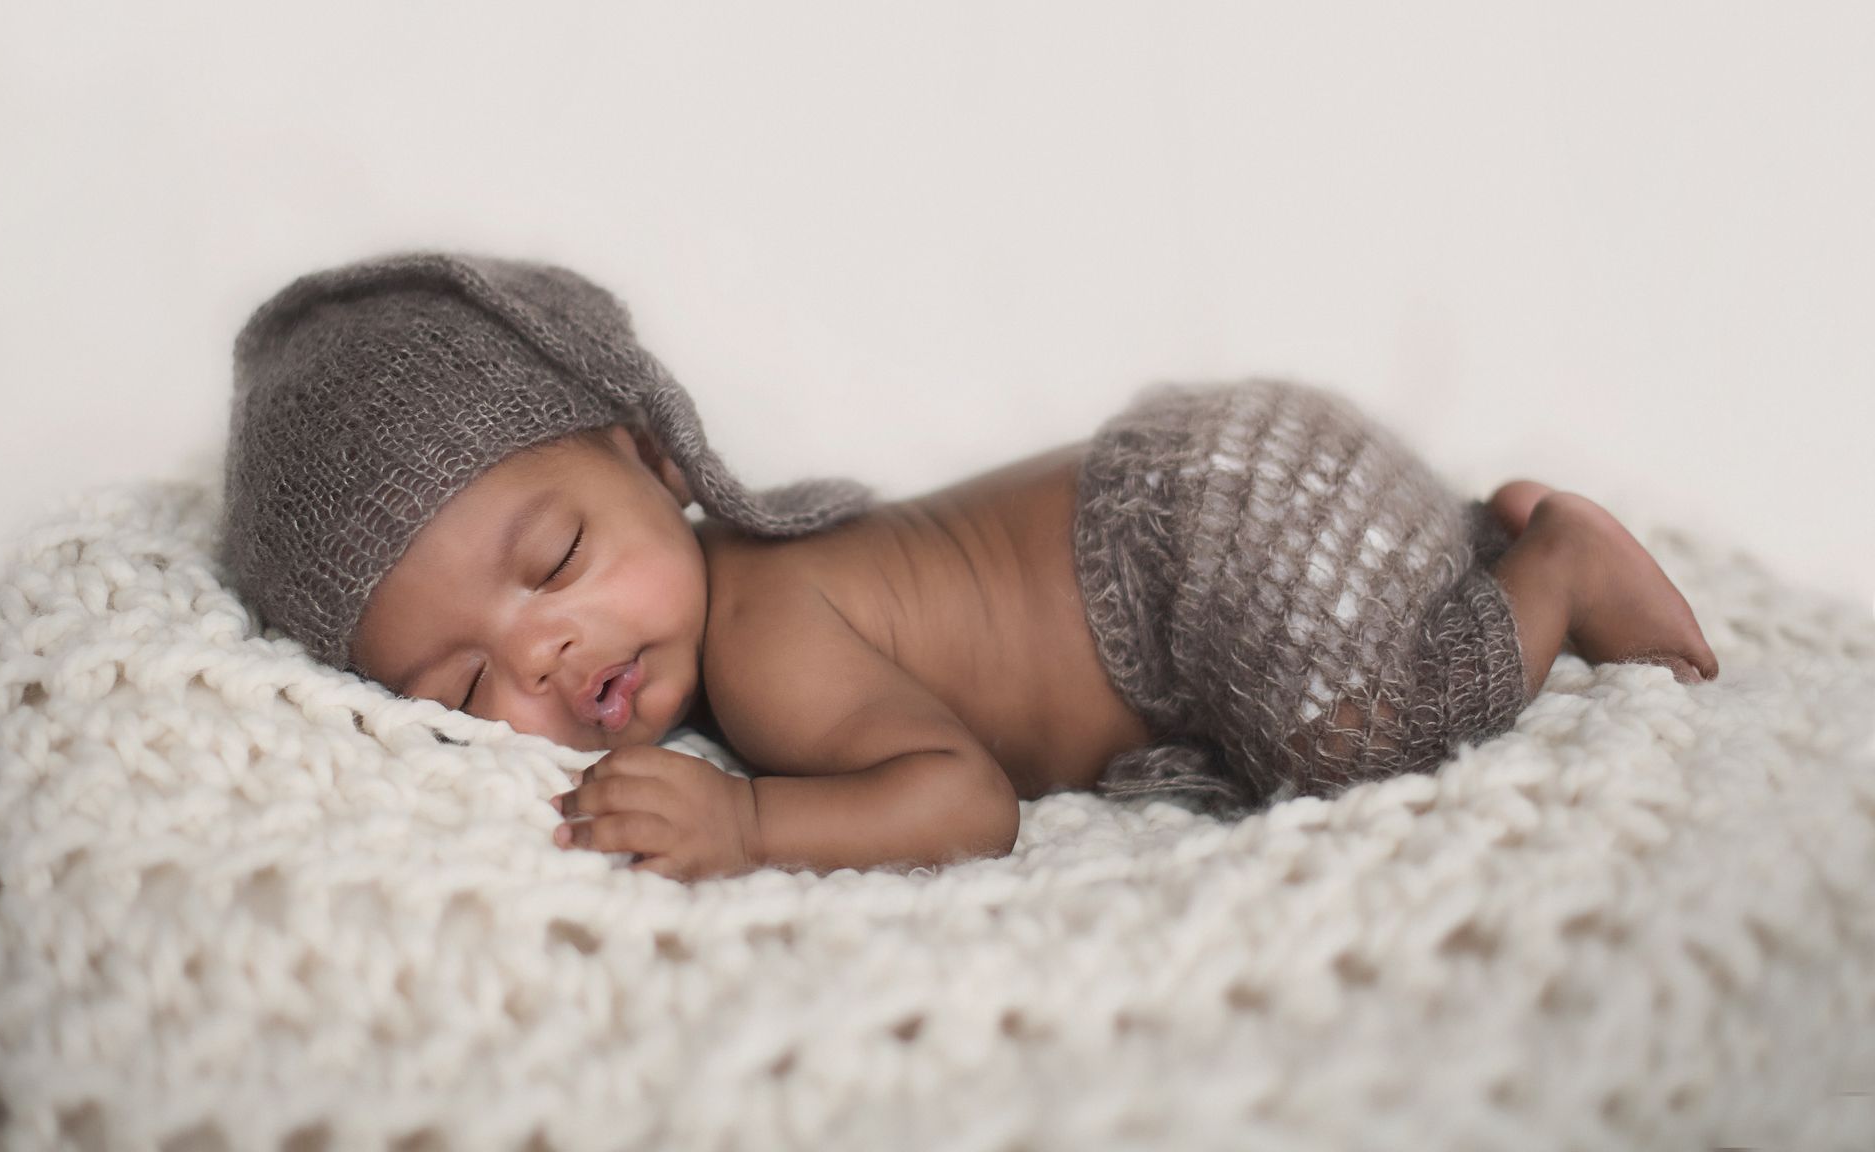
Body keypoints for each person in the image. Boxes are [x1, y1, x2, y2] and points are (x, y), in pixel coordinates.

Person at [219, 252, 1719, 882]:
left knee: (1364, 741)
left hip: (1209, 531)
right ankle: (1473, 535)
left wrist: (747, 828)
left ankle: (1552, 567)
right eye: (466, 685)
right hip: (1210, 504)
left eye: (554, 557)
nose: (539, 657)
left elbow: (966, 800)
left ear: (654, 459)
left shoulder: (764, 634)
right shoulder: (728, 597)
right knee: (1324, 682)